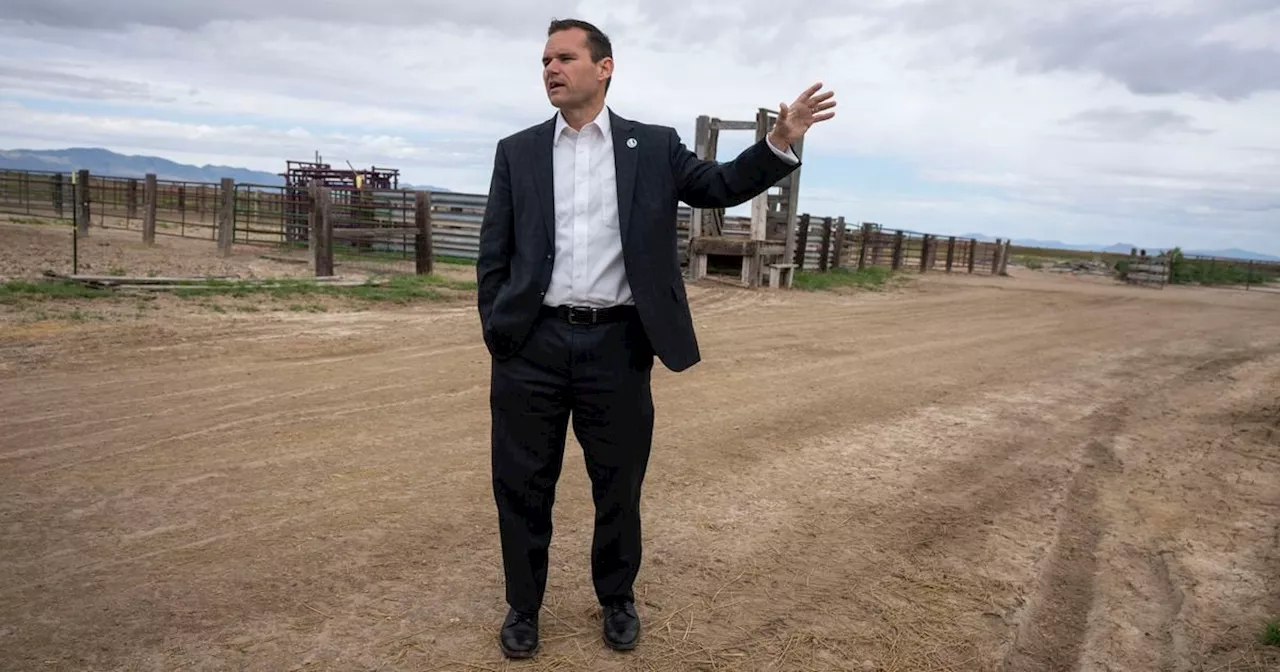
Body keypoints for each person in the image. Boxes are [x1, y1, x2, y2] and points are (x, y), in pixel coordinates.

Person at [475, 17, 835, 659]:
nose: (550, 70)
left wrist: (780, 141)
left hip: (617, 346)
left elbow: (717, 186)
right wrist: (500, 332)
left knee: (619, 482)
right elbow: (493, 255)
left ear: (603, 68)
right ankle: (523, 607)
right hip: (533, 346)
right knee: (522, 482)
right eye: (544, 61)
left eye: (563, 58)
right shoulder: (518, 150)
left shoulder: (653, 146)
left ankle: (617, 597)